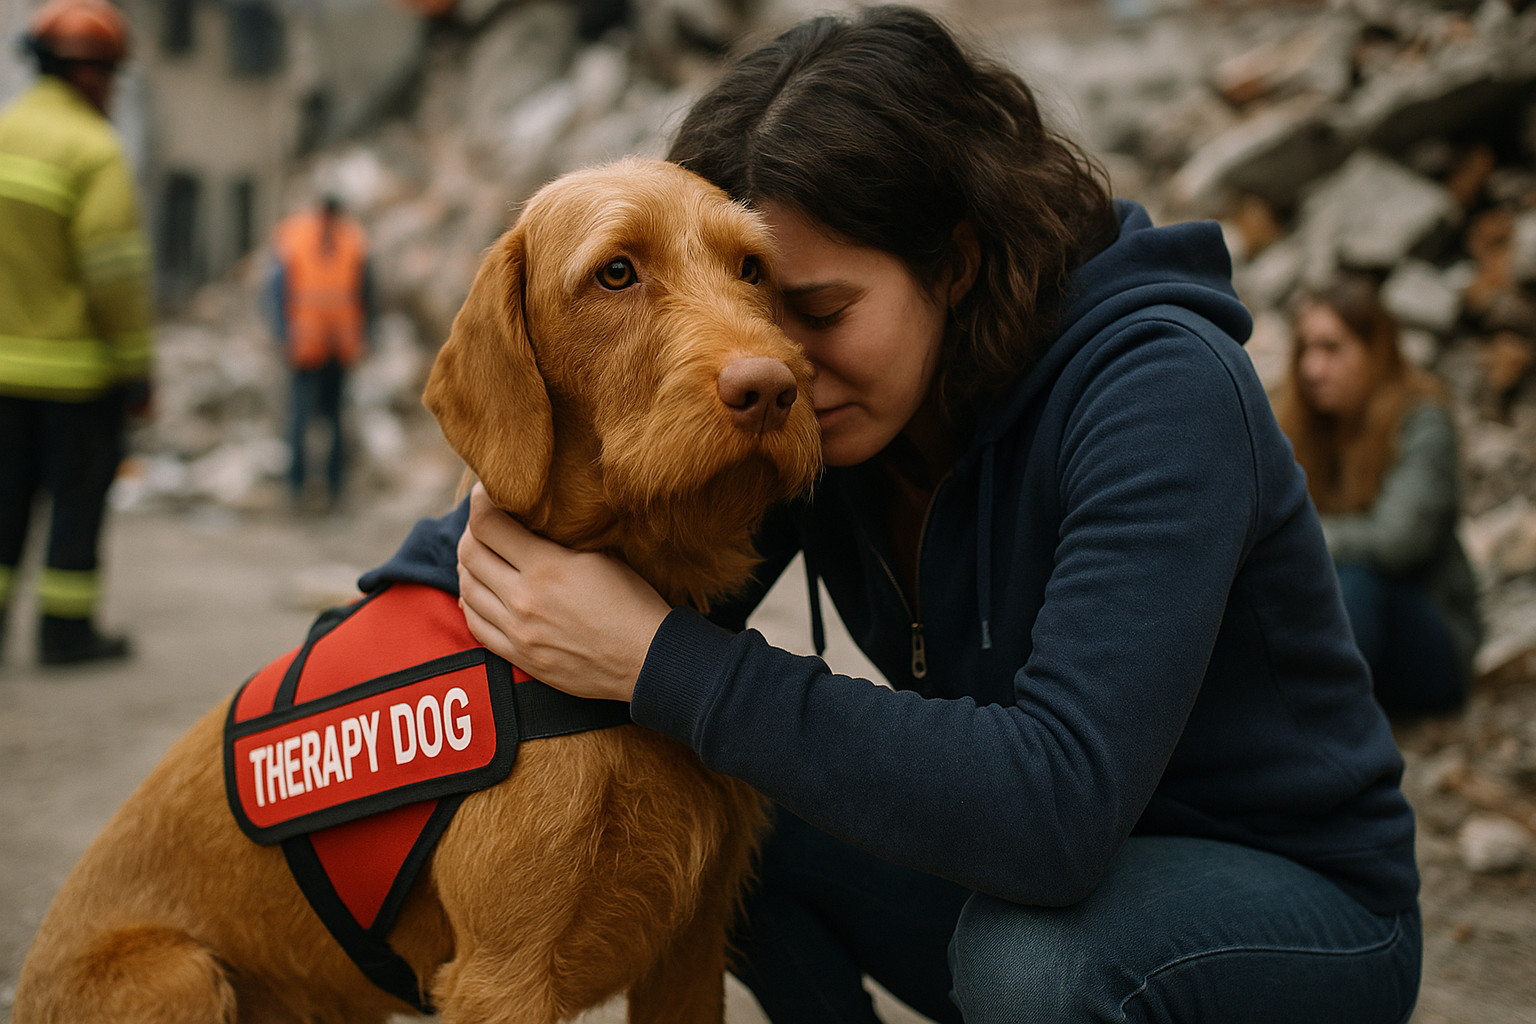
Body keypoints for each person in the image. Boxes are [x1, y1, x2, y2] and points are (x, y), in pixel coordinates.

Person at [367, 7, 1422, 1021]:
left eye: (814, 310)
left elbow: (1055, 810)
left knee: (1034, 963)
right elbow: (551, 531)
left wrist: (659, 658)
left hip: (1292, 908)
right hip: (1034, 880)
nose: (765, 359)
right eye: (744, 298)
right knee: (732, 820)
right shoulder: (814, 404)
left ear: (953, 263)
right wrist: (350, 661)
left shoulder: (1162, 390)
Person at [0, 0, 152, 666]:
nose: (113, 89)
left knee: (4, 508)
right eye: (110, 75)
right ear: (88, 73)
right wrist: (136, 368)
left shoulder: (4, 133)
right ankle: (65, 633)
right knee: (76, 508)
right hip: (77, 376)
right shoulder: (93, 152)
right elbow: (113, 277)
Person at [1276, 274, 1482, 717]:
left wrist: (1303, 539)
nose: (1313, 369)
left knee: (1356, 582)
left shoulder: (1422, 419)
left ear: (1375, 351)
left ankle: (1324, 726)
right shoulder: (1302, 426)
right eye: (1306, 350)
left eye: (1331, 349)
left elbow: (1398, 540)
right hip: (1350, 633)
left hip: (1428, 640)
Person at [266, 194, 374, 512]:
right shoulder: (295, 237)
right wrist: (282, 334)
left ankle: (334, 490)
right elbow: (276, 289)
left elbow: (366, 291)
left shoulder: (352, 240)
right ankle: (297, 489)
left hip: (339, 349)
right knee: (300, 421)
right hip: (305, 347)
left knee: (335, 422)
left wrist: (365, 335)